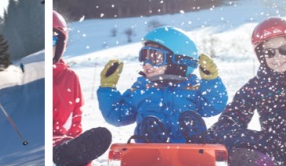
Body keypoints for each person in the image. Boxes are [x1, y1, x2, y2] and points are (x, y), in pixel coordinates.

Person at [98, 26, 228, 143]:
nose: (146, 63)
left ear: (178, 60)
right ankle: (150, 138)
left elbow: (214, 106)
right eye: (144, 56)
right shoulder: (140, 89)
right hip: (149, 156)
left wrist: (211, 81)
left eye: (155, 57)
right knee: (150, 124)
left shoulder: (192, 88)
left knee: (189, 119)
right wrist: (107, 88)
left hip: (190, 151)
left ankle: (193, 139)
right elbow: (117, 116)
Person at [210, 17, 286, 166]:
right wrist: (217, 134)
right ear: (261, 56)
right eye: (270, 53)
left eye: (283, 50)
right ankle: (261, 161)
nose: (277, 57)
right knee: (222, 132)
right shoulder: (257, 86)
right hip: (275, 145)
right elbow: (232, 117)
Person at [52, 11, 112, 166]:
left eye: (51, 39)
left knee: (64, 145)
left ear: (60, 43)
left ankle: (65, 156)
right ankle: (56, 156)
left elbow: (75, 119)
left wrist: (82, 162)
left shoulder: (69, 77)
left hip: (61, 142)